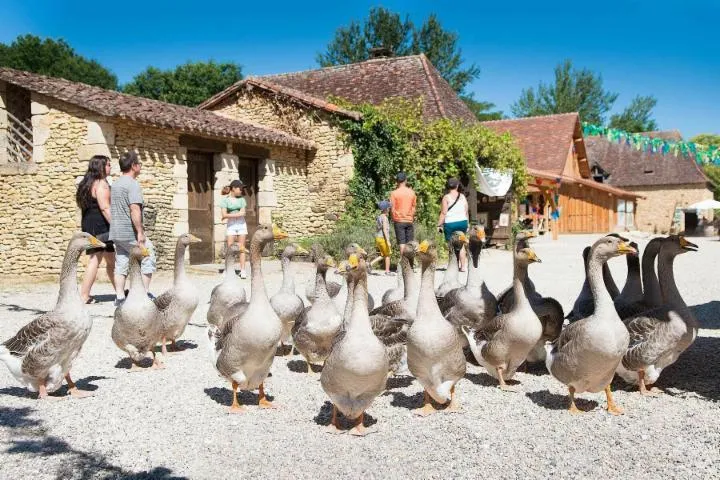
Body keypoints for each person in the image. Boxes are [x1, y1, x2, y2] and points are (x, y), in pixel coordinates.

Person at [109, 151, 156, 306]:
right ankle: (143, 294)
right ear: (134, 166)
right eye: (139, 163)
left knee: (121, 262)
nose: (140, 166)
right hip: (129, 232)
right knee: (147, 254)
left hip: (116, 231)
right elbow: (134, 209)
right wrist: (140, 232)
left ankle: (120, 296)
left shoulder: (115, 184)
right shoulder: (132, 184)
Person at [76, 155, 116, 303]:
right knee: (95, 260)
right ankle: (84, 295)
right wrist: (116, 226)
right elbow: (105, 208)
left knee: (111, 260)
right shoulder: (101, 184)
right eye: (108, 165)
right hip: (101, 227)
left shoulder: (87, 183)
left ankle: (120, 291)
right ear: (100, 167)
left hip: (90, 224)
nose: (110, 167)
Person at [437, 177, 469, 271]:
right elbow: (466, 211)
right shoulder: (462, 196)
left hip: (450, 224)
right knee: (461, 244)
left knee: (451, 245)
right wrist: (467, 223)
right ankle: (463, 266)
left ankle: (453, 266)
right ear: (457, 186)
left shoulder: (446, 198)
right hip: (462, 222)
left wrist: (439, 225)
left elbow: (443, 213)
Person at [220, 179, 248, 278]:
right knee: (230, 248)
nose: (241, 190)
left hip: (241, 224)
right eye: (239, 188)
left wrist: (227, 215)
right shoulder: (225, 200)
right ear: (233, 189)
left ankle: (243, 270)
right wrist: (236, 214)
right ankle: (228, 269)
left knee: (242, 248)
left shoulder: (242, 199)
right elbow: (223, 214)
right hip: (231, 225)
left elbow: (243, 213)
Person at [389, 172, 416, 255]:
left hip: (399, 220)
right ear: (406, 180)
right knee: (409, 244)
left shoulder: (394, 193)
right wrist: (411, 216)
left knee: (402, 243)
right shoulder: (412, 192)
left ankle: (403, 264)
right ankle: (410, 264)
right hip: (409, 220)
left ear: (397, 181)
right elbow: (413, 207)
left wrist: (394, 218)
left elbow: (392, 208)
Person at [374, 200, 394, 275]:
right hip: (383, 239)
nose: (389, 209)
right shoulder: (385, 218)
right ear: (386, 209)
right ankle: (387, 271)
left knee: (383, 255)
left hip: (378, 238)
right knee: (388, 255)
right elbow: (385, 230)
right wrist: (388, 241)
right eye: (389, 207)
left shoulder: (379, 217)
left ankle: (369, 264)